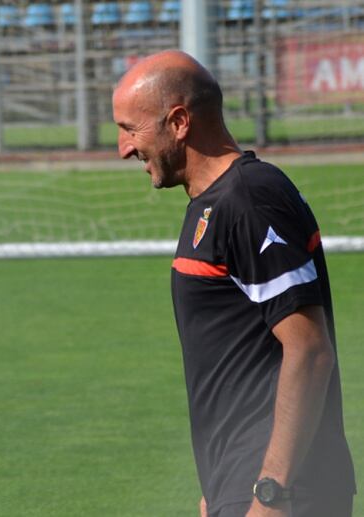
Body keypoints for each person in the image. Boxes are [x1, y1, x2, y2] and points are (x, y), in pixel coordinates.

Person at [112, 50, 355, 517]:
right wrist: (219, 484)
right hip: (241, 483)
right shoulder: (211, 202)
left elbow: (308, 348)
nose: (124, 148)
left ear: (179, 121)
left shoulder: (249, 199)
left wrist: (271, 489)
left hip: (287, 493)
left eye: (130, 128)